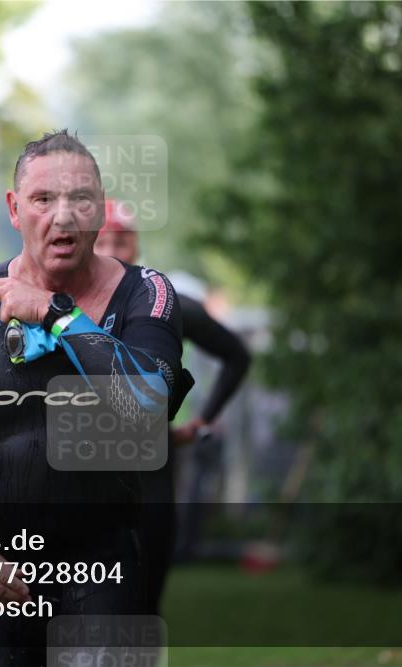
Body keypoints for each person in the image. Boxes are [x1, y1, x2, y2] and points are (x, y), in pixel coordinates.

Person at [0, 130, 191, 666]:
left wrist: (55, 314)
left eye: (81, 199)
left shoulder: (147, 294)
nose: (63, 216)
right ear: (14, 209)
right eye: (43, 199)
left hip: (102, 575)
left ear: (100, 208)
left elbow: (149, 403)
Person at [95, 199, 251, 609]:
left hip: (150, 476)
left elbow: (236, 355)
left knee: (143, 607)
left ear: (137, 245)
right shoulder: (58, 305)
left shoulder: (164, 304)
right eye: (101, 240)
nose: (112, 250)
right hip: (75, 477)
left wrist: (202, 422)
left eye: (122, 240)